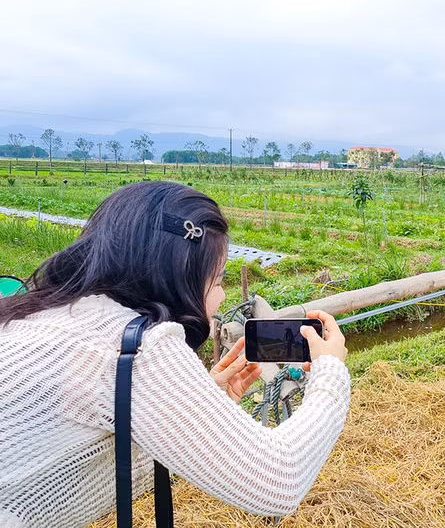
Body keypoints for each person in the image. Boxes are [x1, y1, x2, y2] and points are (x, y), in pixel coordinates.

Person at [0, 181, 350, 527]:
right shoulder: (139, 347)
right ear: (175, 277)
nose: (223, 297)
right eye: (215, 281)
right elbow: (279, 481)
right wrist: (330, 372)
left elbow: (48, 474)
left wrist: (188, 410)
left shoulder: (36, 313)